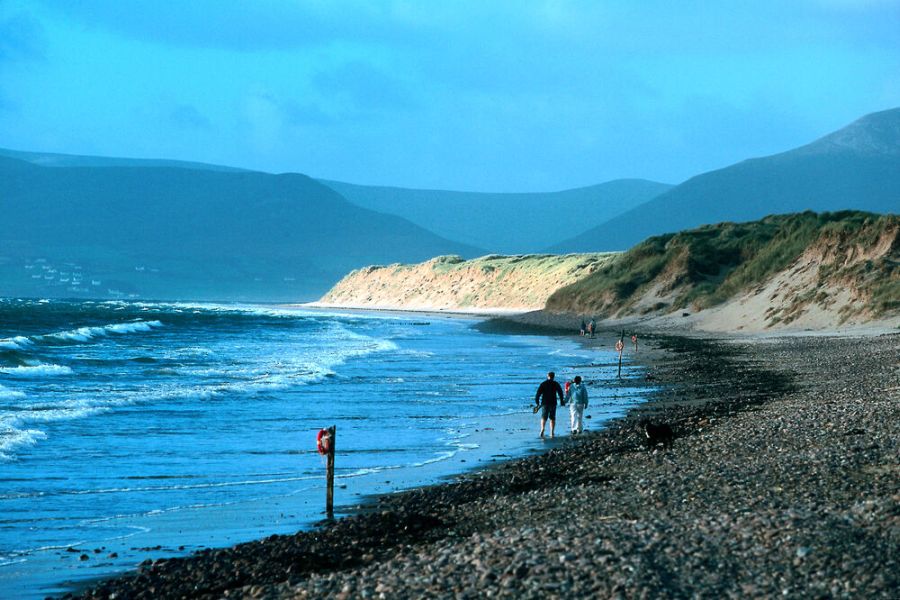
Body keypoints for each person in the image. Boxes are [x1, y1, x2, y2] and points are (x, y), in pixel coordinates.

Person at [534, 371, 564, 438]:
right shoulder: (555, 384)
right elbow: (560, 393)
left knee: (544, 417)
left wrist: (537, 402)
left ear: (548, 376)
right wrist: (562, 401)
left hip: (545, 403)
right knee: (552, 418)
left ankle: (542, 429)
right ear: (553, 377)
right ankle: (552, 432)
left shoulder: (543, 384)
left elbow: (538, 393)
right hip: (553, 402)